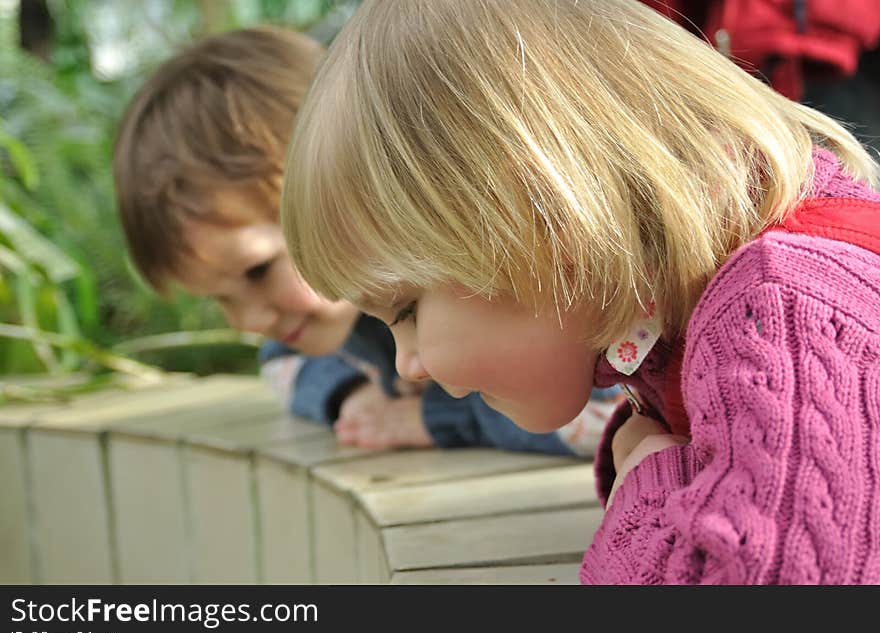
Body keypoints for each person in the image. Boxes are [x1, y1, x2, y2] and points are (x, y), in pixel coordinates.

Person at [281, 0, 880, 583]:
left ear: (548, 226)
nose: (407, 366)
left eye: (407, 311)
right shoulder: (684, 311)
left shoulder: (782, 311)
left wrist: (648, 482)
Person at [112, 25, 614, 458]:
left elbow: (606, 420)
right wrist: (347, 396)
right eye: (220, 298)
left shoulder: (477, 290)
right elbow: (280, 364)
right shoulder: (338, 330)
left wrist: (436, 422)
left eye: (258, 271)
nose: (250, 321)